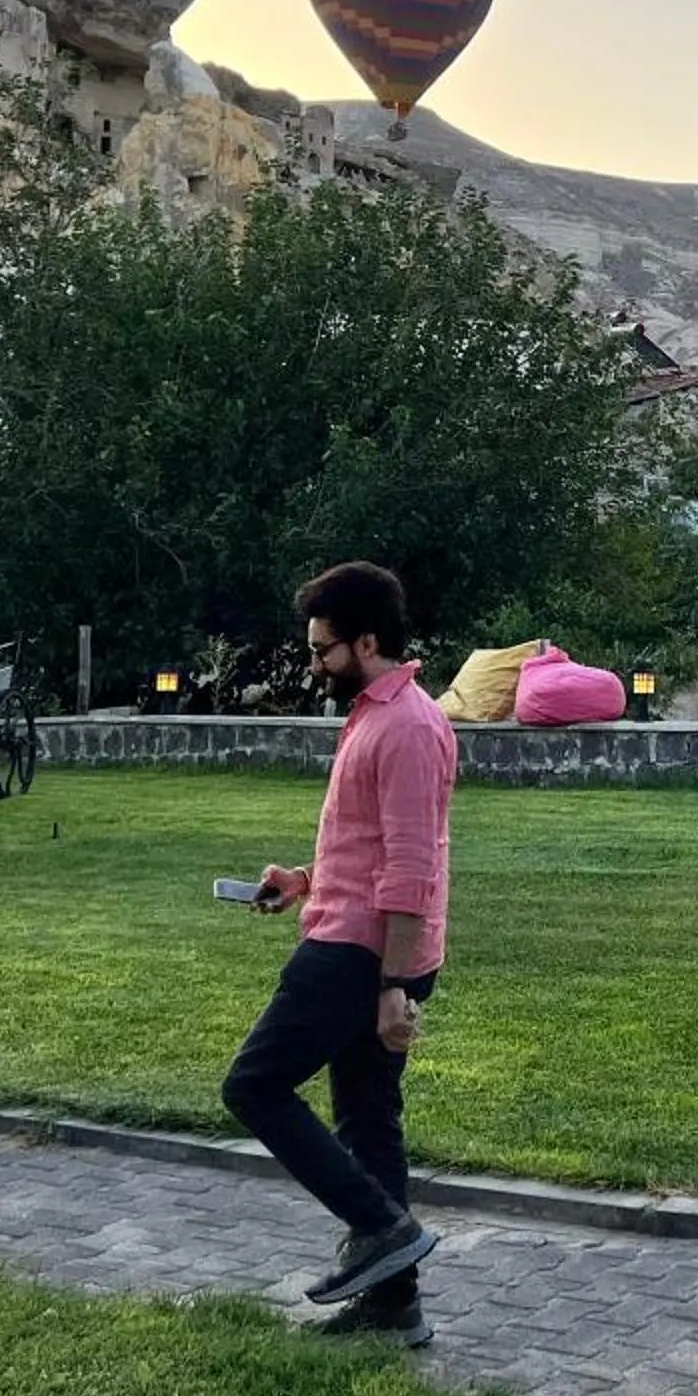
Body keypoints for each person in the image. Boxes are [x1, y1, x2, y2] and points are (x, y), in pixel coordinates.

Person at [220, 560, 457, 1347]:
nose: (313, 664)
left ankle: (380, 1230)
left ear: (367, 641)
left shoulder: (410, 727)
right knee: (368, 1120)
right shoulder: (374, 712)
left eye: (323, 650)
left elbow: (412, 869)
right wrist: (303, 880)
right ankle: (396, 1309)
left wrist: (392, 985)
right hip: (356, 929)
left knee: (253, 1085)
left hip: (364, 951)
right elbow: (372, 845)